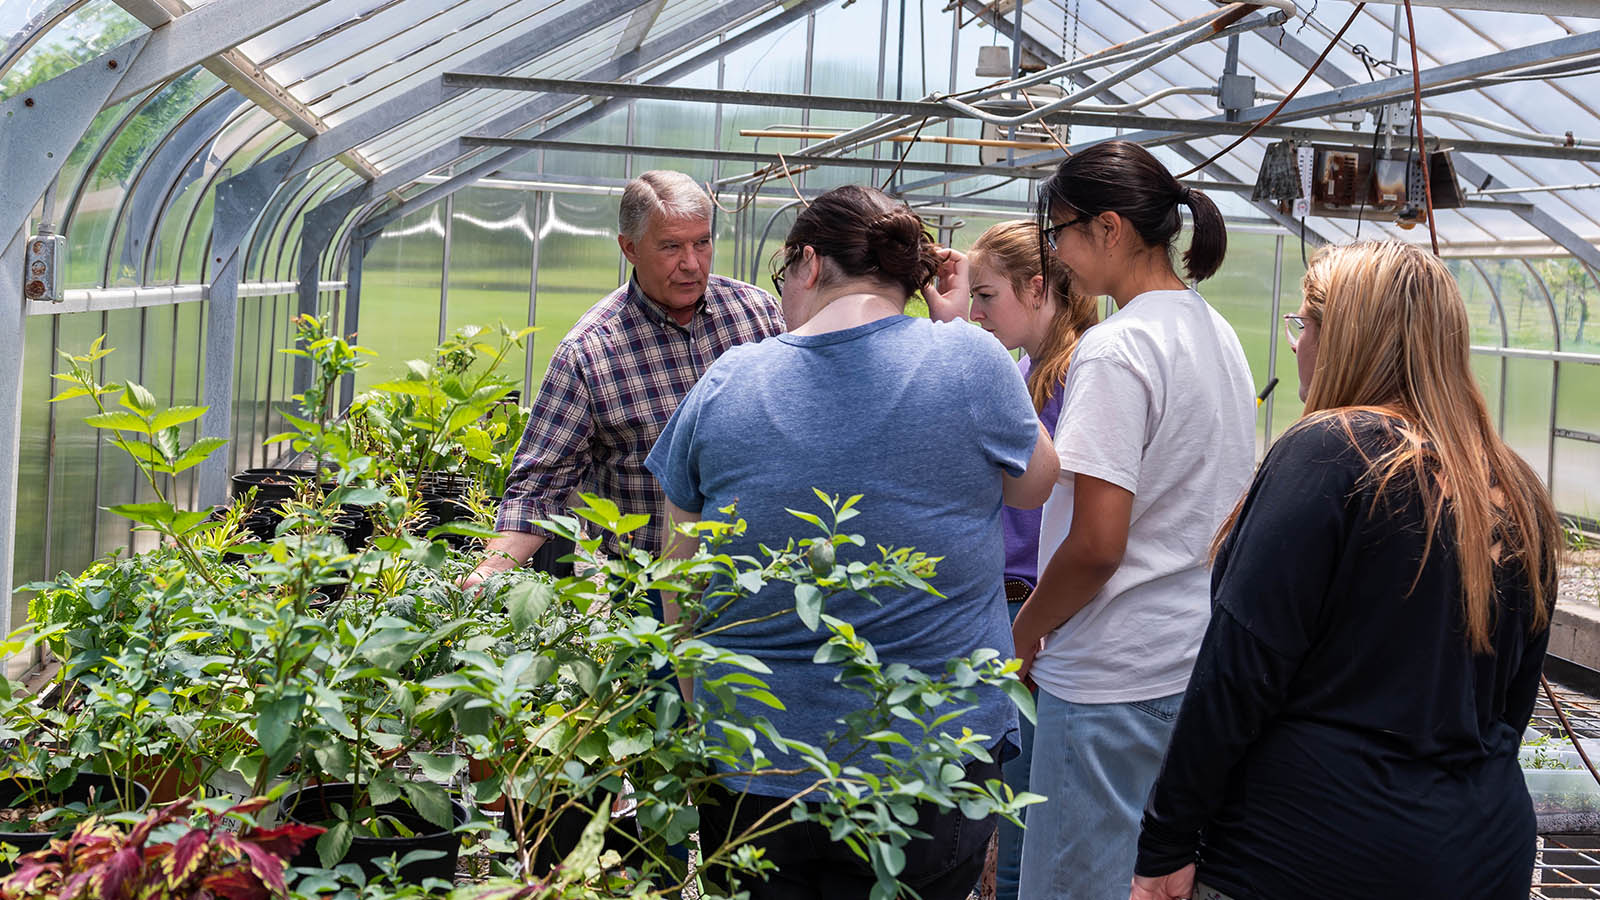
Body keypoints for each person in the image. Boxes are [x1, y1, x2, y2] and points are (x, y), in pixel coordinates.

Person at [644, 185, 1059, 899]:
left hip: (756, 764)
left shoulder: (726, 382)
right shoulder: (969, 361)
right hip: (936, 762)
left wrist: (701, 713)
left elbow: (678, 578)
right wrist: (956, 325)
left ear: (807, 263)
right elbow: (1035, 485)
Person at [1130, 240, 1562, 900]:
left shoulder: (1331, 451)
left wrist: (1166, 840)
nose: (1297, 343)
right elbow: (1509, 706)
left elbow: (1236, 672)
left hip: (1314, 847)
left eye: (1304, 323)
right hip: (1481, 848)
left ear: (1345, 336)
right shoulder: (1515, 487)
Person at [1010, 141, 1255, 900]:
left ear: (1109, 229)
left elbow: (1096, 546)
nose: (1056, 257)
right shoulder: (1216, 334)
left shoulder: (1117, 349)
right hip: (1189, 660)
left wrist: (1020, 636)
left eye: (1060, 234)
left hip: (1110, 677)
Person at [463, 170, 783, 591]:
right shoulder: (591, 352)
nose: (691, 263)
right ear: (629, 248)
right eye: (671, 246)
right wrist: (487, 574)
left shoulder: (758, 314)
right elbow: (542, 486)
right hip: (645, 585)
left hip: (759, 572)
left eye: (701, 243)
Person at [924, 220, 1098, 900]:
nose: (977, 313)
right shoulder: (1024, 368)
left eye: (986, 295)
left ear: (1037, 289)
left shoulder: (1074, 373)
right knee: (1001, 807)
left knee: (1018, 819)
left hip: (1033, 611)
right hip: (1010, 608)